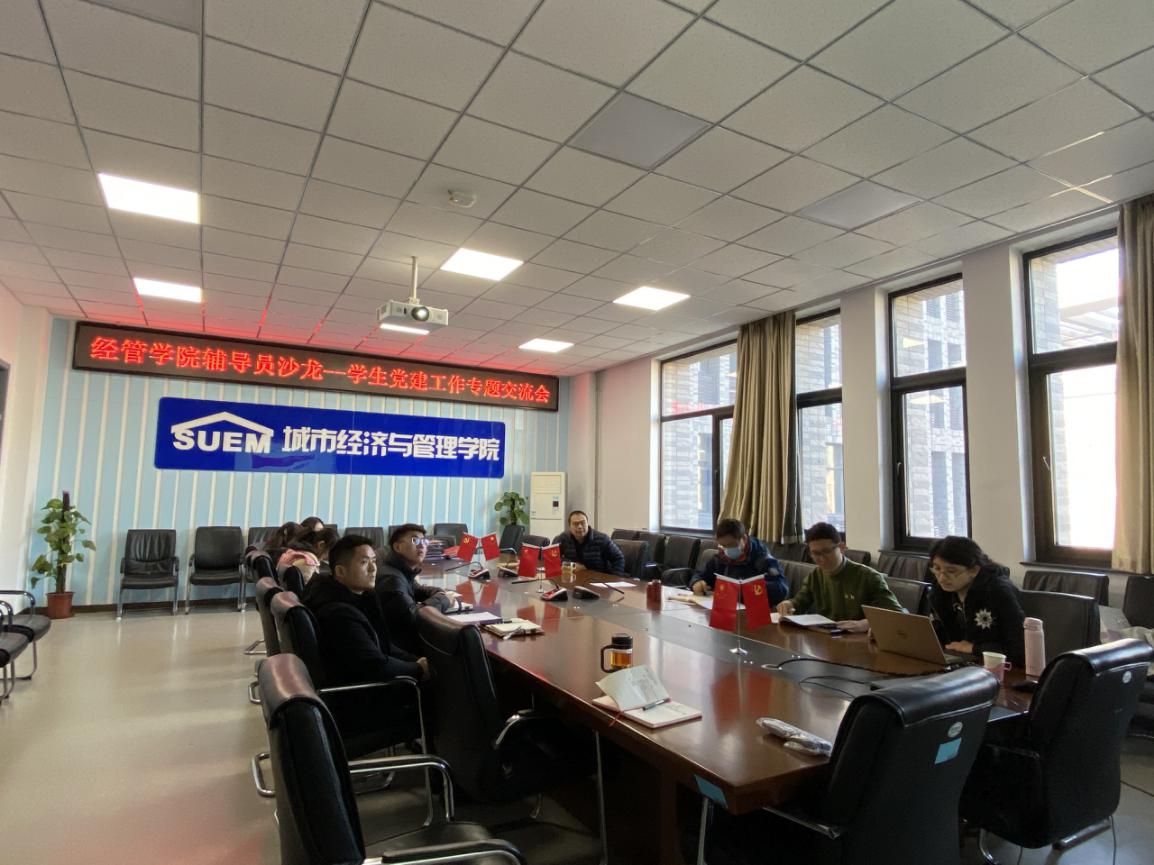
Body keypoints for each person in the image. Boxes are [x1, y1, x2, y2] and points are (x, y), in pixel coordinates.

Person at [302, 534, 428, 686]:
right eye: (364, 562)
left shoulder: (359, 597)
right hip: (363, 692)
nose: (373, 568)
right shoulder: (338, 613)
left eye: (374, 561)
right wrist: (418, 669)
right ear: (340, 572)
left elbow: (384, 646)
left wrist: (416, 661)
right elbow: (374, 665)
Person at [777, 522, 902, 632]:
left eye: (826, 551)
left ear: (841, 548)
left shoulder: (868, 577)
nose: (822, 559)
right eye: (815, 553)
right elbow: (799, 602)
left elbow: (897, 615)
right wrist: (788, 604)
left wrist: (866, 624)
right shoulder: (815, 576)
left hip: (859, 640)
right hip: (826, 639)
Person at [927, 536, 1026, 667]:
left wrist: (974, 648)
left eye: (951, 571)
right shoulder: (940, 592)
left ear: (974, 570)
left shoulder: (998, 592)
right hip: (961, 663)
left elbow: (1020, 650)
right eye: (937, 569)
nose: (942, 578)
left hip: (998, 668)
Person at [375, 523, 461, 655]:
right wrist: (444, 600)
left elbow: (418, 589)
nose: (422, 546)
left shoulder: (399, 569)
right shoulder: (391, 579)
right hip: (403, 651)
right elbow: (414, 617)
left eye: (424, 541)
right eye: (415, 540)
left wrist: (439, 592)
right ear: (397, 547)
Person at [690, 518, 788, 606]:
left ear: (743, 539)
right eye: (723, 546)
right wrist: (696, 582)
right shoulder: (721, 556)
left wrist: (748, 588)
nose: (727, 550)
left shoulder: (762, 558)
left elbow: (782, 588)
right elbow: (700, 574)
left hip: (753, 610)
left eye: (731, 545)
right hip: (725, 608)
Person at [553, 510, 625, 576]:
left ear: (587, 524)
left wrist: (615, 578)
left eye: (583, 523)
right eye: (575, 524)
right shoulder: (564, 538)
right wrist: (571, 564)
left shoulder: (602, 539)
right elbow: (552, 557)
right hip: (574, 577)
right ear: (570, 527)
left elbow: (618, 558)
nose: (580, 526)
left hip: (598, 577)